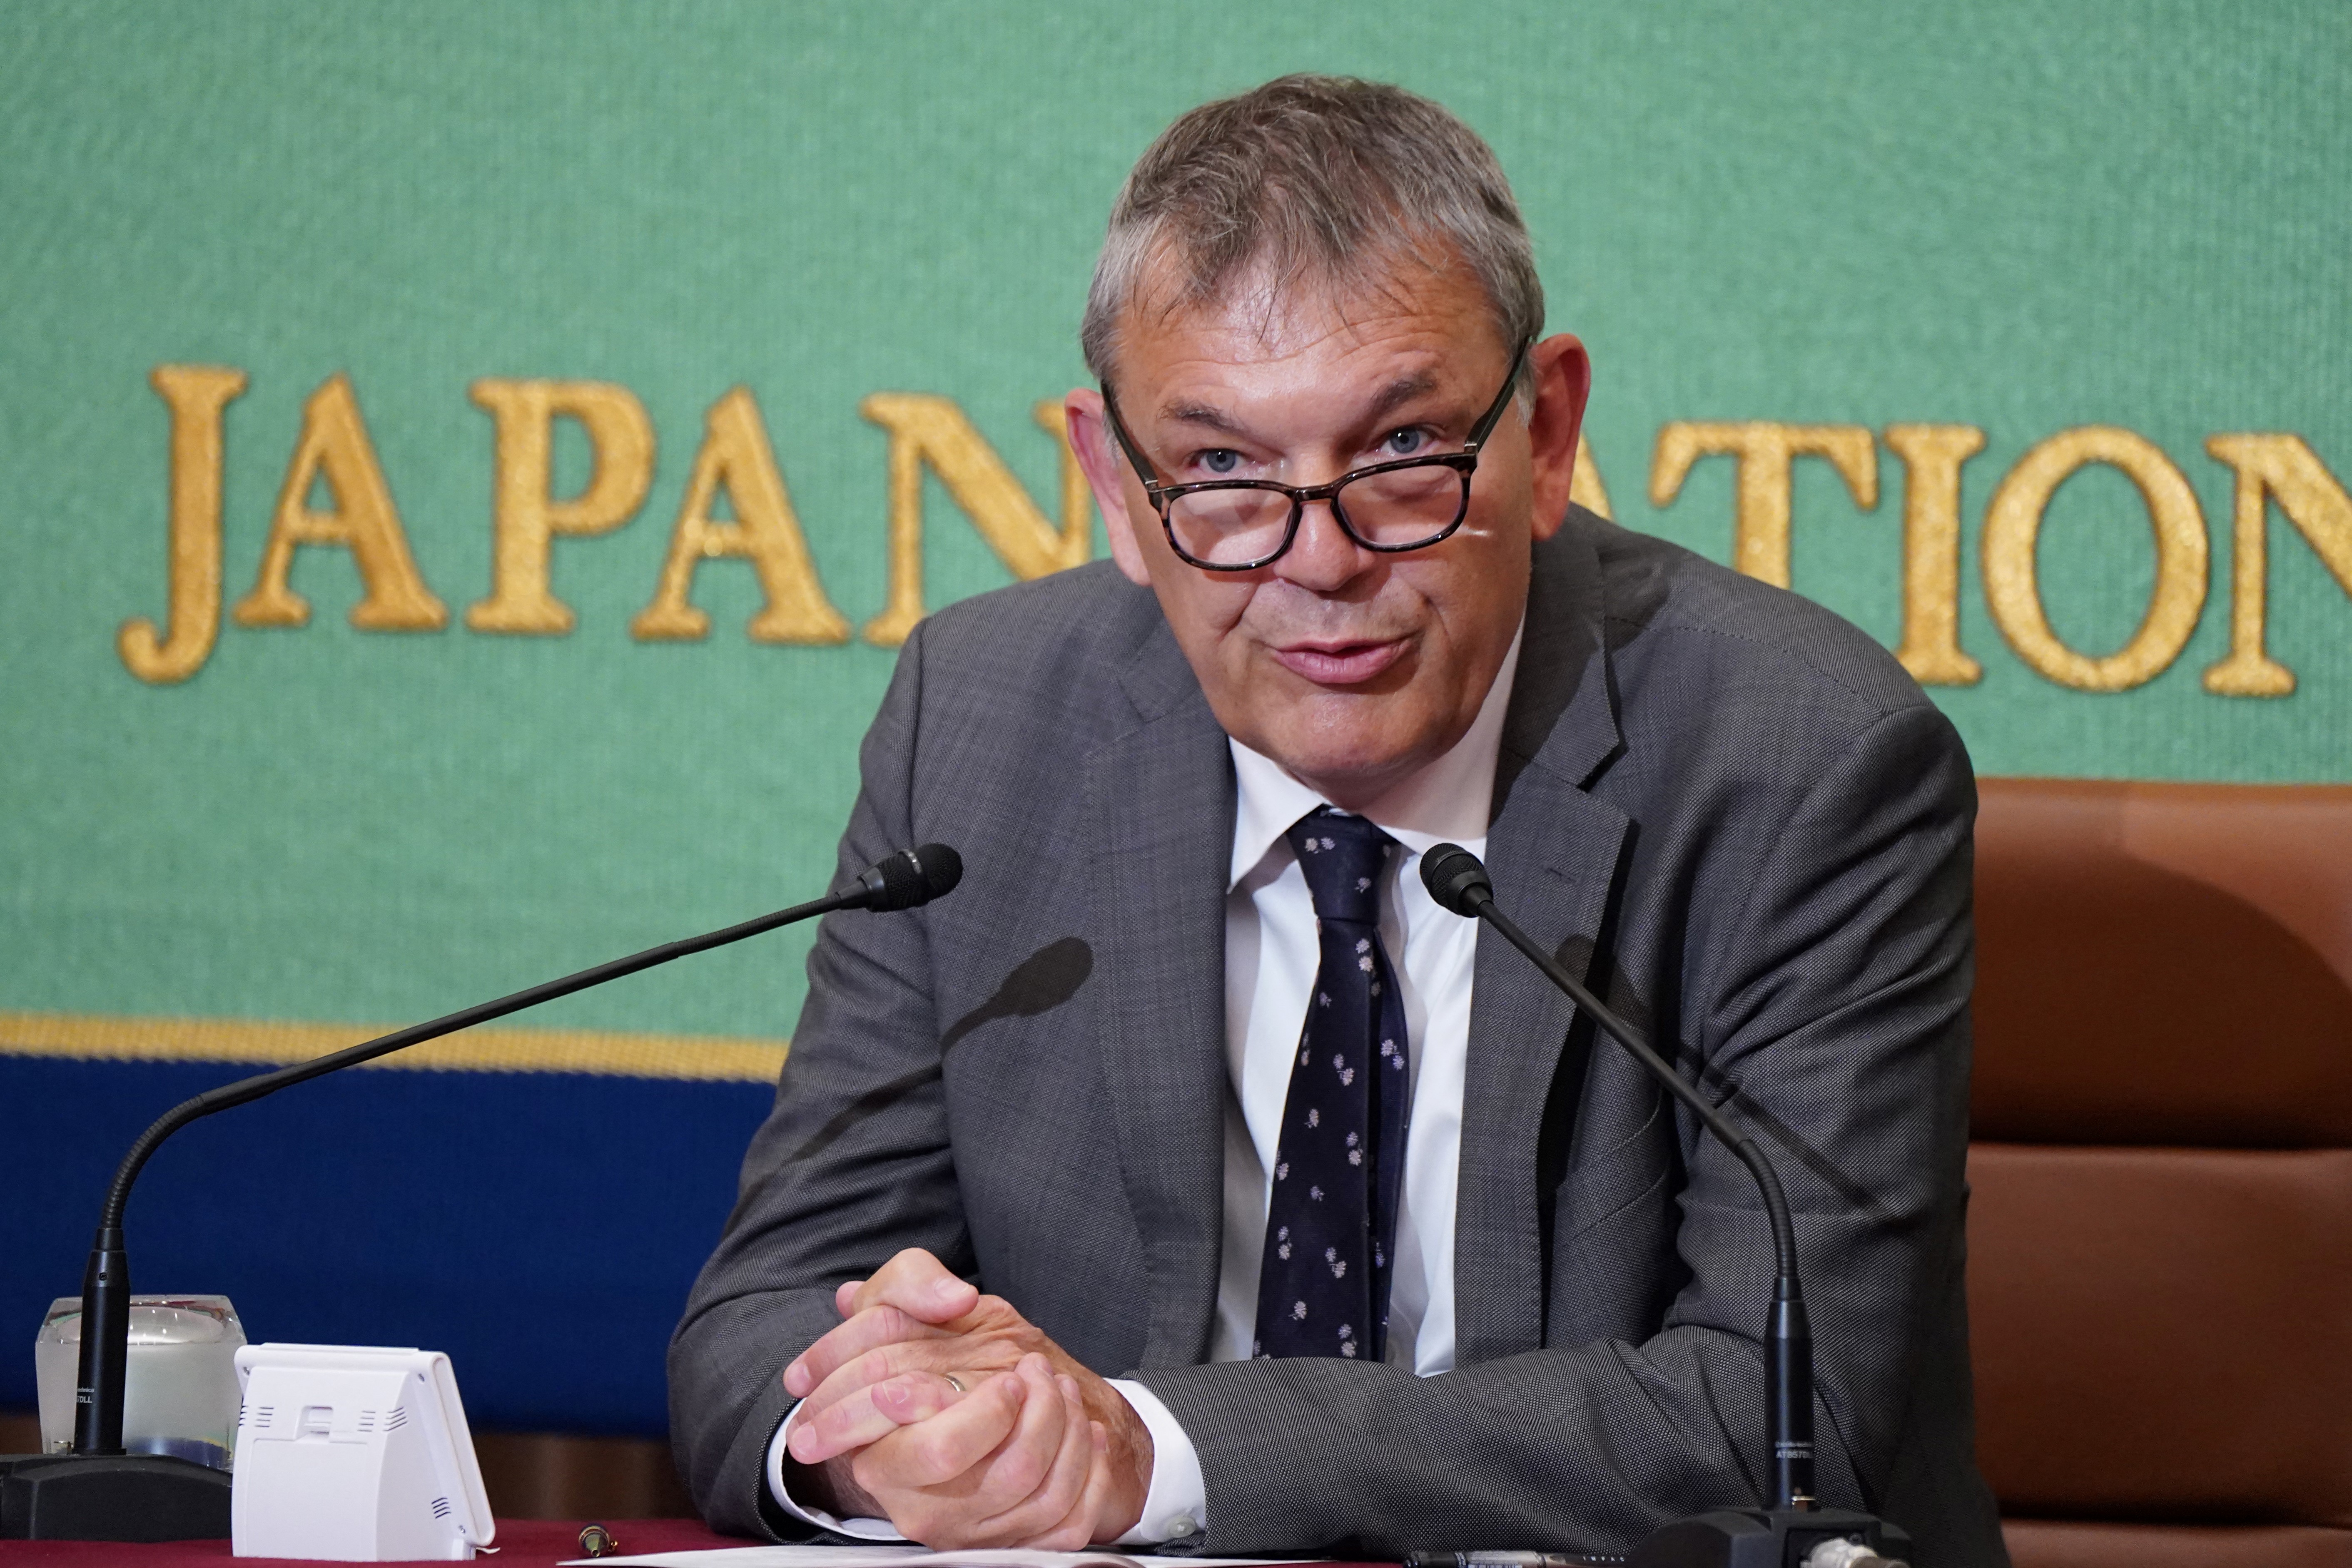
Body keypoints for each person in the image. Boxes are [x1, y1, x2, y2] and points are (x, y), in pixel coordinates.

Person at [669, 74, 2005, 1566]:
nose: (1319, 562)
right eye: (1225, 473)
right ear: (1114, 483)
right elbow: (766, 1318)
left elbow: (1786, 1405)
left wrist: (1153, 1456)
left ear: (1547, 433)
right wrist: (897, 1429)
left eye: (1399, 455)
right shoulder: (984, 726)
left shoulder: (1802, 762)